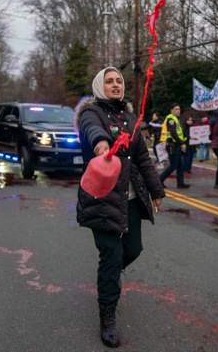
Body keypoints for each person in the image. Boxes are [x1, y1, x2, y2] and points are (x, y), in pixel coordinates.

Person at [74, 67, 165, 348]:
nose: (115, 85)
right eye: (109, 81)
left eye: (119, 81)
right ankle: (108, 315)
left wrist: (156, 191)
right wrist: (102, 144)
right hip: (102, 197)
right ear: (100, 86)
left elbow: (143, 159)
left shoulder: (130, 118)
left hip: (130, 197)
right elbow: (93, 130)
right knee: (111, 255)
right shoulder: (92, 112)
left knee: (133, 249)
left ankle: (107, 280)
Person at [159, 103, 190, 189]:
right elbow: (173, 133)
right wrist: (182, 143)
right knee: (173, 165)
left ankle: (180, 183)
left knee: (180, 164)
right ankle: (159, 179)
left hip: (176, 145)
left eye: (179, 109)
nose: (178, 111)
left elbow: (180, 133)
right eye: (176, 109)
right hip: (172, 145)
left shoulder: (176, 119)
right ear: (171, 110)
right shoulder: (171, 120)